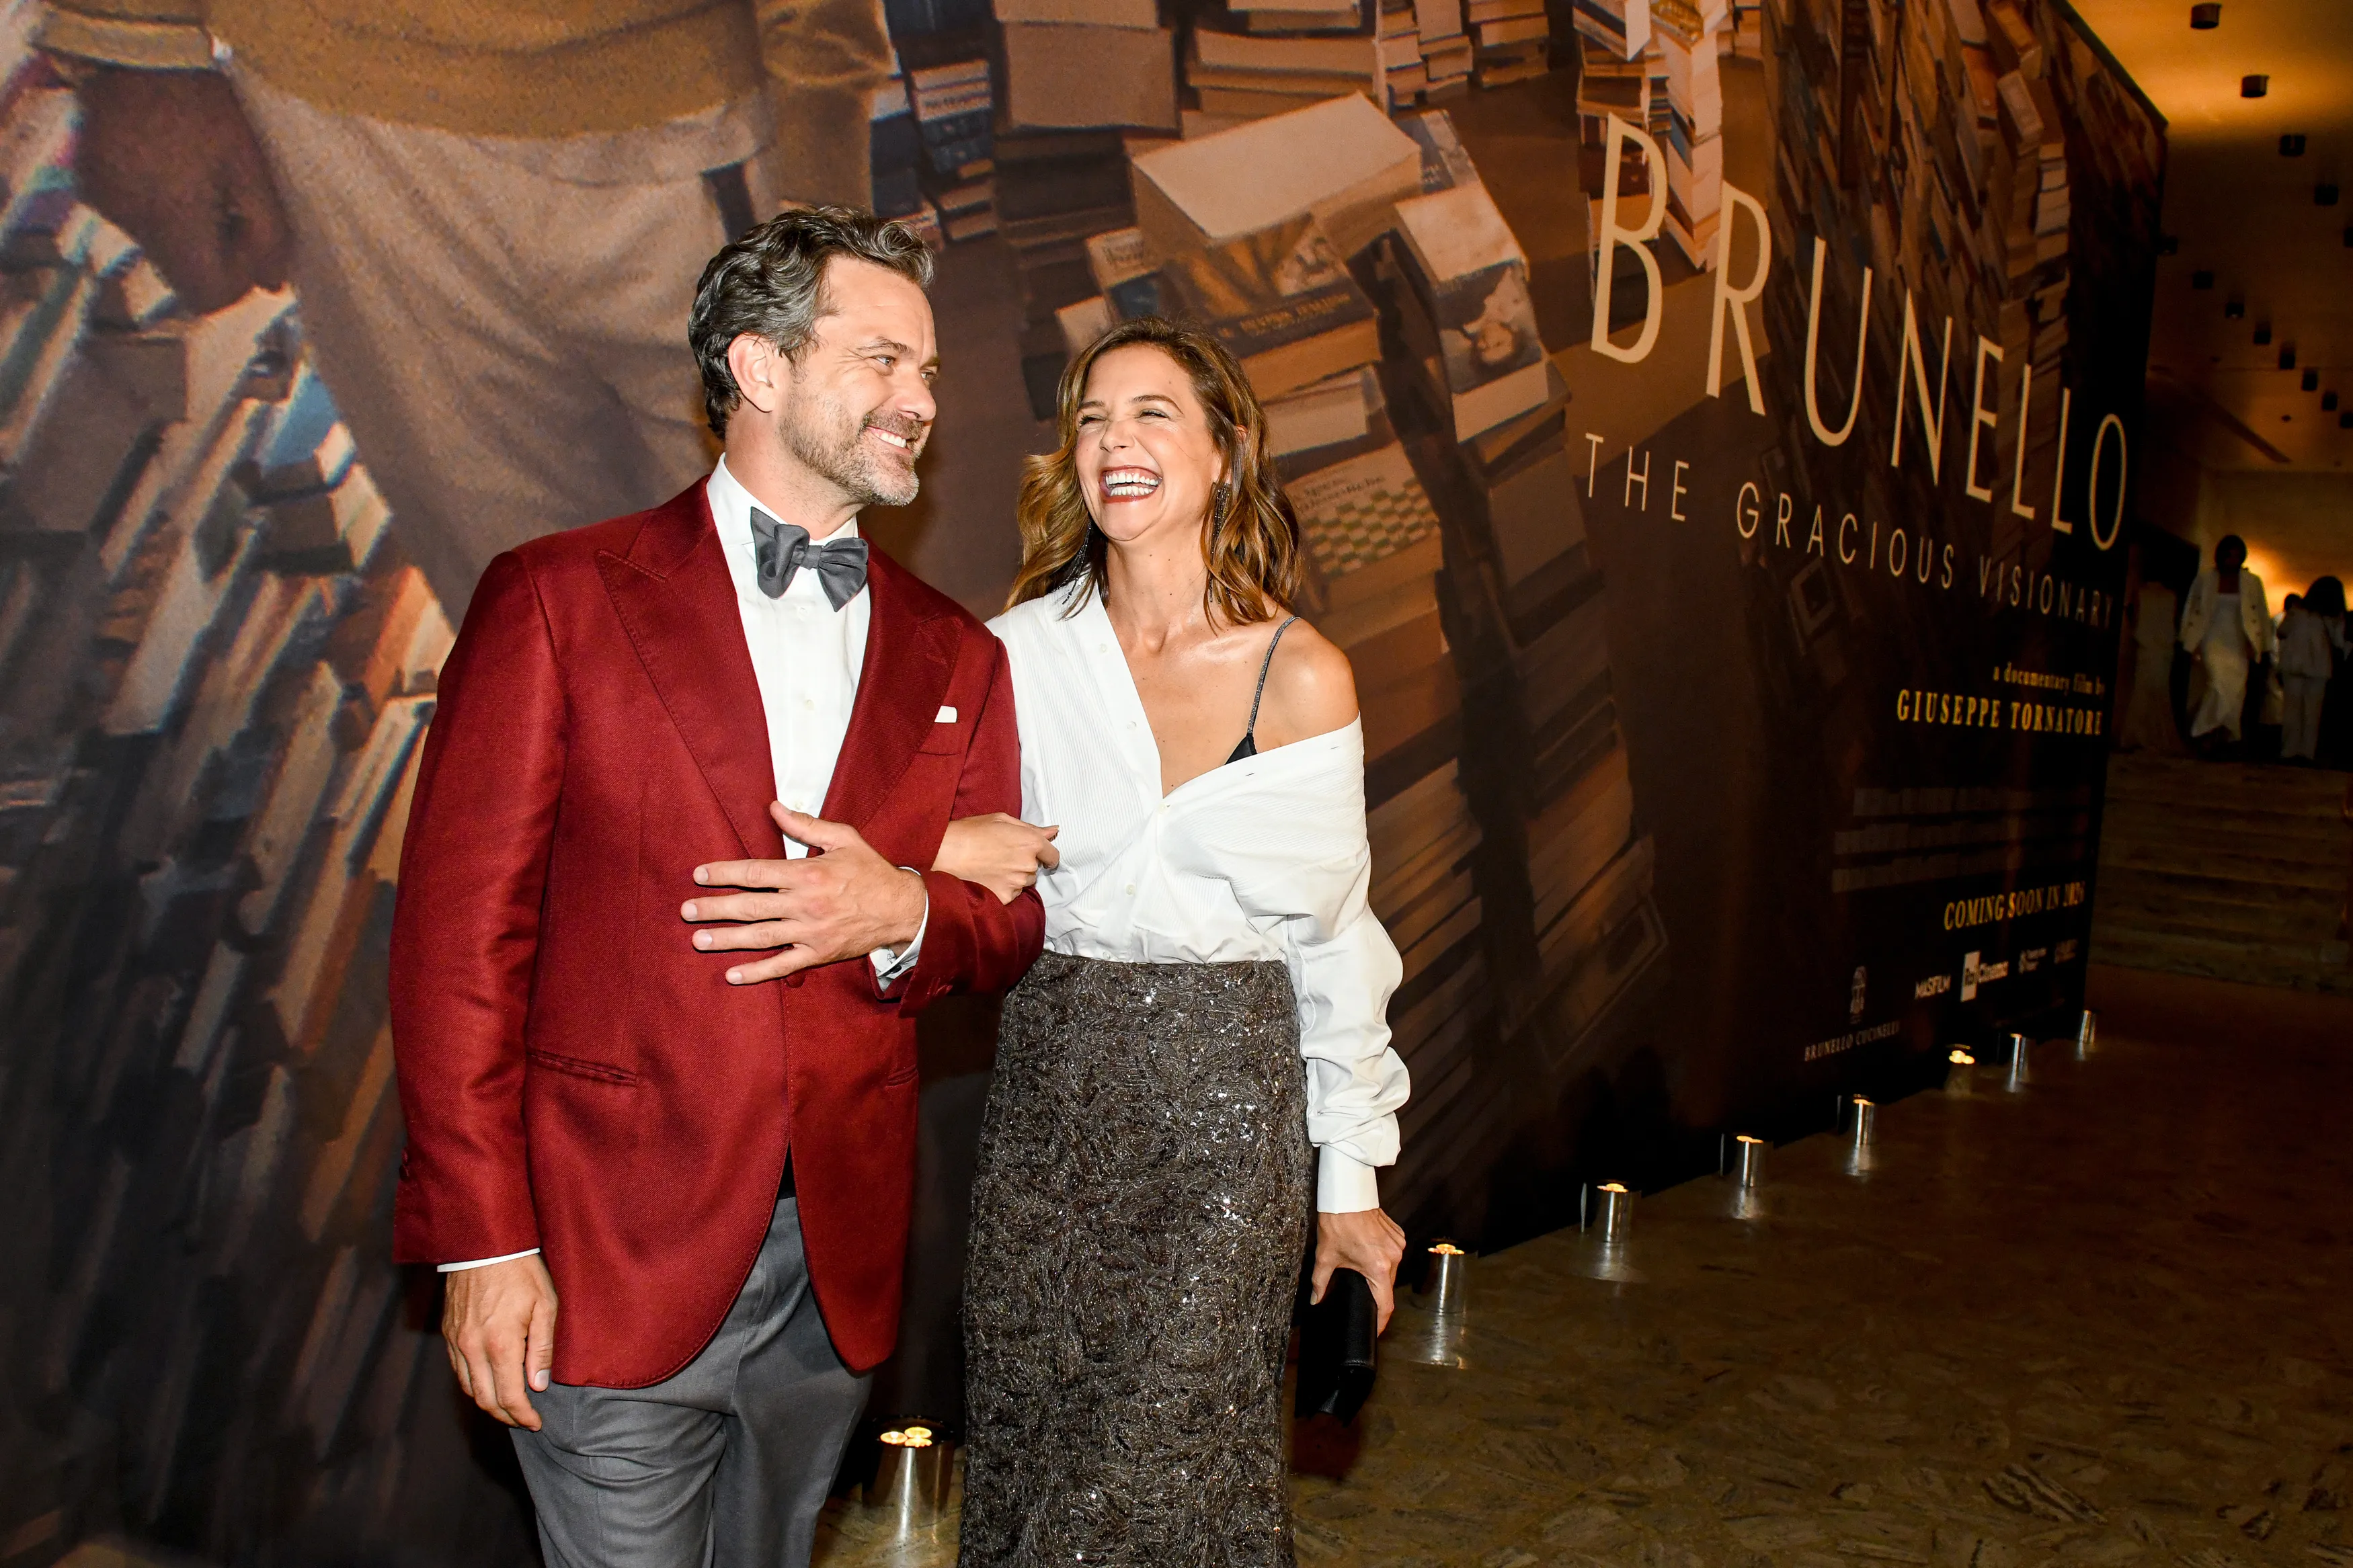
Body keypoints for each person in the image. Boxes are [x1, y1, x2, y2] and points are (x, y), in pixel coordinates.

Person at [387, 209, 1043, 1568]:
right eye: (879, 360)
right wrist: (482, 1243)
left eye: (927, 370)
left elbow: (1007, 917)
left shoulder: (954, 651)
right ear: (758, 365)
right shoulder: (559, 598)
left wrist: (905, 909)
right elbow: (457, 948)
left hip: (835, 1277)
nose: (920, 400)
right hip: (601, 1253)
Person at [941, 317, 1412, 1566]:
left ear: (1224, 449)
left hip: (1228, 1115)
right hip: (1054, 1092)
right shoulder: (1018, 653)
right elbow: (952, 849)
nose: (1116, 441)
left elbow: (1334, 943)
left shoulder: (1299, 672)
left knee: (1167, 1461)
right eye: (1093, 419)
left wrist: (1349, 1188)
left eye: (1153, 413)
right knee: (1039, 1443)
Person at [48, 0, 893, 616]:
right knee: (537, 642)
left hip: (673, 119)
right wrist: (133, 43)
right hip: (337, 118)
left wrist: (823, 189)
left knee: (788, 620)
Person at [2178, 534, 2275, 754]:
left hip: (2239, 641)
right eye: (2229, 554)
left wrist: (2262, 645)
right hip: (2212, 637)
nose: (2232, 559)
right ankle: (2202, 730)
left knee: (2236, 691)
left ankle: (2222, 735)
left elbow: (2261, 613)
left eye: (2237, 555)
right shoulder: (2206, 579)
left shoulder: (2252, 582)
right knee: (2217, 685)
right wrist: (2188, 639)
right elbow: (2192, 608)